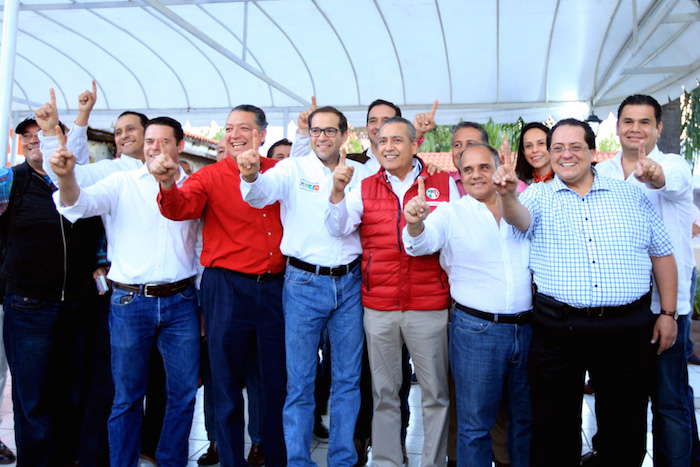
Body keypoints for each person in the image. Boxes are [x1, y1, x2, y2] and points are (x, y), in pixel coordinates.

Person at [493, 118, 678, 466]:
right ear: (549, 155)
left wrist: (667, 314)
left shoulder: (631, 194)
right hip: (558, 329)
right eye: (557, 148)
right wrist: (506, 195)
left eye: (575, 147)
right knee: (553, 427)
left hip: (626, 327)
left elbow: (662, 254)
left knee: (625, 427)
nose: (566, 155)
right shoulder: (536, 196)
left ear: (592, 152)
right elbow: (518, 219)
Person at [51, 117, 201, 466]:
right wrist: (66, 177)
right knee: (127, 397)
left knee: (182, 395)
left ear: (180, 146)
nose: (154, 147)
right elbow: (77, 205)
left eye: (164, 141)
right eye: (150, 140)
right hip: (130, 302)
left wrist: (203, 307)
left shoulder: (195, 187)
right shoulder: (121, 182)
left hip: (181, 302)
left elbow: (200, 251)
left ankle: (171, 461)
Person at [153, 105, 287, 467]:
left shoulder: (280, 173)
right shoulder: (209, 177)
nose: (234, 135)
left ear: (262, 133)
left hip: (276, 288)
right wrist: (167, 183)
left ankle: (275, 457)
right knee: (225, 385)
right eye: (229, 128)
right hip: (226, 288)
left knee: (276, 383)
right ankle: (230, 460)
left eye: (243, 127)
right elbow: (180, 207)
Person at [326, 116, 459, 466]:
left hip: (429, 305)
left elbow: (452, 240)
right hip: (380, 307)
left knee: (435, 394)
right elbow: (337, 227)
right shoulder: (363, 186)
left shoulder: (442, 184)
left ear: (415, 145)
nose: (388, 147)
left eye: (397, 140)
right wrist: (337, 193)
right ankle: (387, 461)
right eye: (383, 141)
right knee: (384, 392)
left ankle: (432, 462)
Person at [239, 105, 365, 466]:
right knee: (300, 383)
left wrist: (339, 188)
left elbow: (341, 225)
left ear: (344, 134)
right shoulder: (291, 168)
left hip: (350, 283)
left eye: (329, 131)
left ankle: (342, 459)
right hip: (303, 283)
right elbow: (260, 194)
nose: (322, 137)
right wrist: (250, 175)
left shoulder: (360, 173)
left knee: (347, 380)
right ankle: (298, 461)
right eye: (316, 131)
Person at [403, 143, 533, 466]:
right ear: (460, 177)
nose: (476, 175)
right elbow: (421, 243)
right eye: (468, 170)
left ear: (498, 167)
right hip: (476, 332)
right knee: (474, 426)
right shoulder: (451, 212)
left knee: (523, 423)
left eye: (483, 167)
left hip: (528, 329)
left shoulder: (523, 204)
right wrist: (416, 223)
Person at [595, 94, 696, 466]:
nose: (635, 129)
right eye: (628, 121)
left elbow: (668, 182)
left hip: (665, 308)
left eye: (644, 122)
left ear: (659, 128)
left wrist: (653, 175)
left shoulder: (675, 165)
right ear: (617, 127)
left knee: (669, 400)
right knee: (621, 398)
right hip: (619, 309)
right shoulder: (601, 173)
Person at [0, 111, 104, 465]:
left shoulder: (83, 180)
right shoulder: (10, 181)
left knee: (75, 392)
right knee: (34, 399)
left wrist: (101, 263)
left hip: (80, 305)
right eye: (26, 135)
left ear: (60, 139)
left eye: (40, 132)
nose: (32, 139)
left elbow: (100, 231)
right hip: (29, 306)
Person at [448, 121, 489, 196]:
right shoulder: (443, 180)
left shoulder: (499, 181)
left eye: (470, 144)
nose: (462, 150)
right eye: (457, 145)